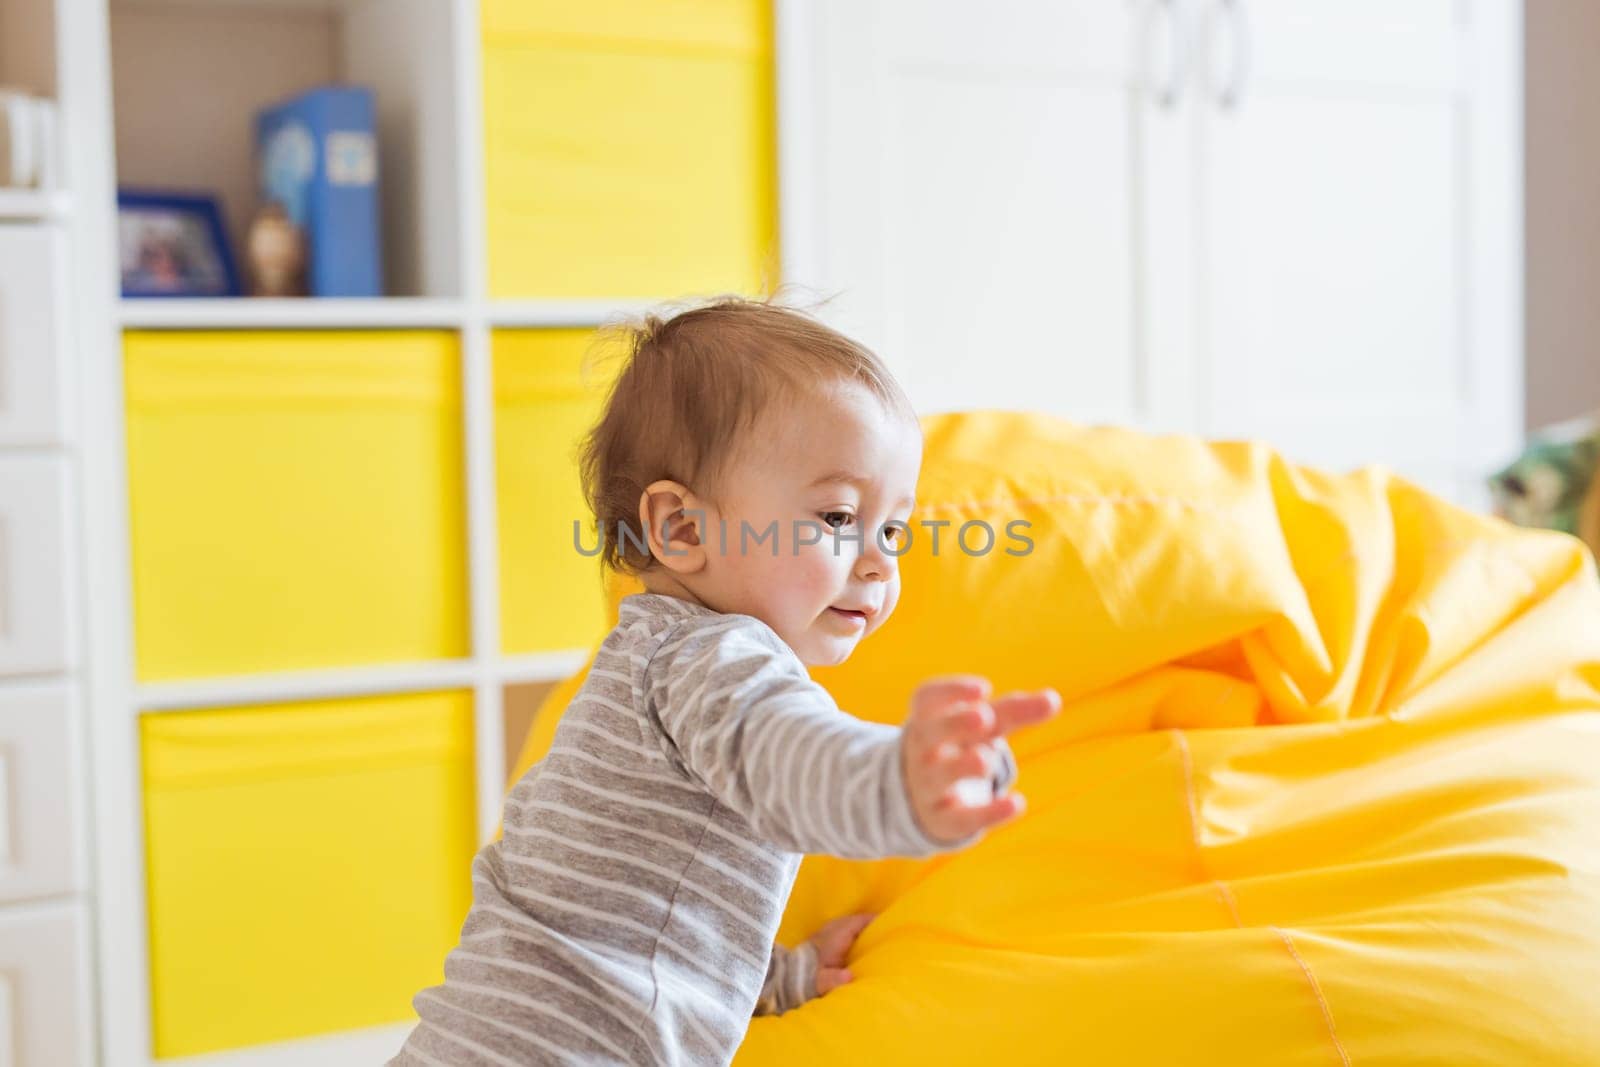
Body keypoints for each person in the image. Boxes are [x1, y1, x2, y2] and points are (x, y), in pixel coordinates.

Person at [391, 298, 1059, 1065]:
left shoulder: (642, 662)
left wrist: (781, 974)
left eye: (894, 529)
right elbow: (793, 760)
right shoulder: (715, 662)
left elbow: (633, 908)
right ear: (680, 528)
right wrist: (901, 781)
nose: (879, 561)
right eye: (840, 516)